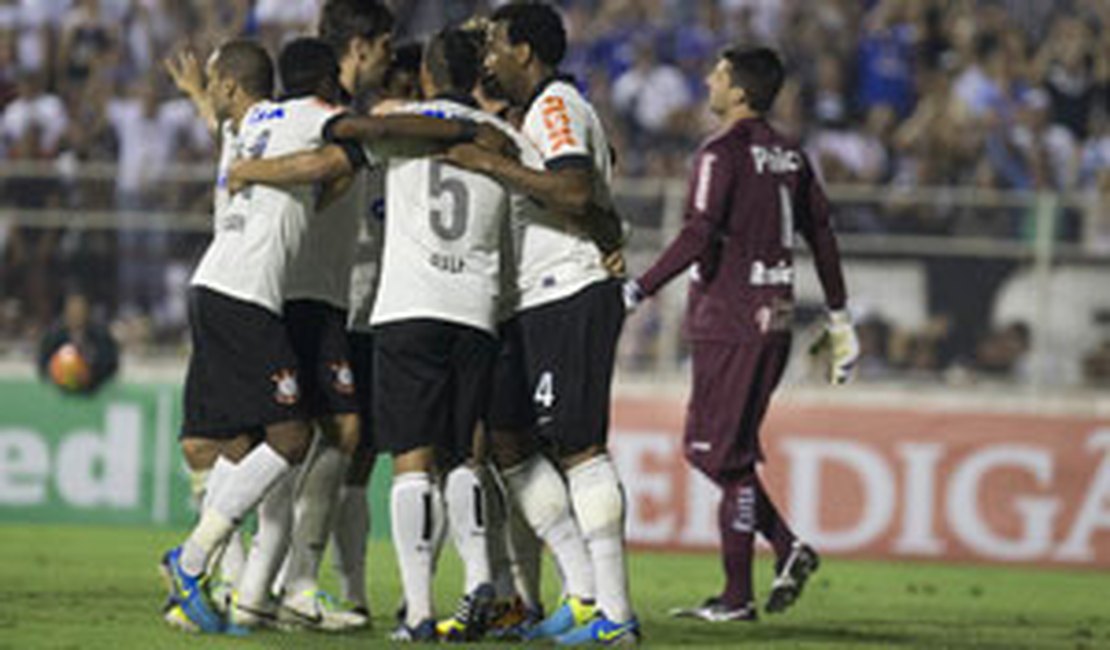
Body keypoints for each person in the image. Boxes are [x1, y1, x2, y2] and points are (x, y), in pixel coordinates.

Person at [623, 46, 860, 622]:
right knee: (724, 454)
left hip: (729, 320)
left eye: (719, 73)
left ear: (740, 90)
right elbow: (821, 234)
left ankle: (741, 594)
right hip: (773, 319)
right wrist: (838, 315)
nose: (708, 79)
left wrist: (638, 288)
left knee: (716, 454)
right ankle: (783, 552)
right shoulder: (791, 154)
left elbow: (700, 232)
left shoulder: (719, 153)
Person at [442, 2, 637, 644]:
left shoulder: (554, 103)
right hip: (538, 296)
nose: (489, 57)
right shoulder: (545, 113)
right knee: (509, 439)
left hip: (569, 291)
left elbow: (576, 191)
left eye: (497, 45)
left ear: (525, 52)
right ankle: (581, 593)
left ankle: (614, 613)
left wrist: (491, 165)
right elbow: (598, 207)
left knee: (579, 447)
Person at [160, 39, 322, 635]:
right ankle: (195, 559)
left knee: (235, 439)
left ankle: (217, 576)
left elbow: (220, 121)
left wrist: (202, 97)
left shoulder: (249, 128)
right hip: (243, 293)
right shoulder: (298, 118)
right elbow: (342, 128)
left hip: (217, 288)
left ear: (233, 89)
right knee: (291, 435)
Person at [37, 292, 118, 394]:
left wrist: (90, 373)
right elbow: (43, 363)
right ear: (66, 312)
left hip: (92, 389)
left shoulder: (100, 336)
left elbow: (110, 364)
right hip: (60, 390)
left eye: (80, 310)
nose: (76, 314)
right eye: (73, 310)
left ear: (87, 312)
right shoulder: (54, 336)